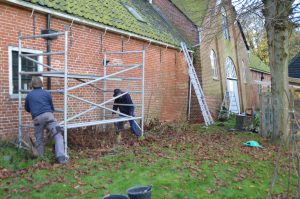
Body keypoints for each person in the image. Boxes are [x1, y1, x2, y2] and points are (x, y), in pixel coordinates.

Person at [25, 76, 68, 164]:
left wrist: (34, 109)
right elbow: (52, 107)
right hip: (49, 116)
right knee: (58, 134)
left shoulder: (29, 96)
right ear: (41, 84)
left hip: (37, 118)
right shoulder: (46, 93)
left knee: (39, 138)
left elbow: (27, 108)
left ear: (32, 85)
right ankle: (61, 157)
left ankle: (41, 158)